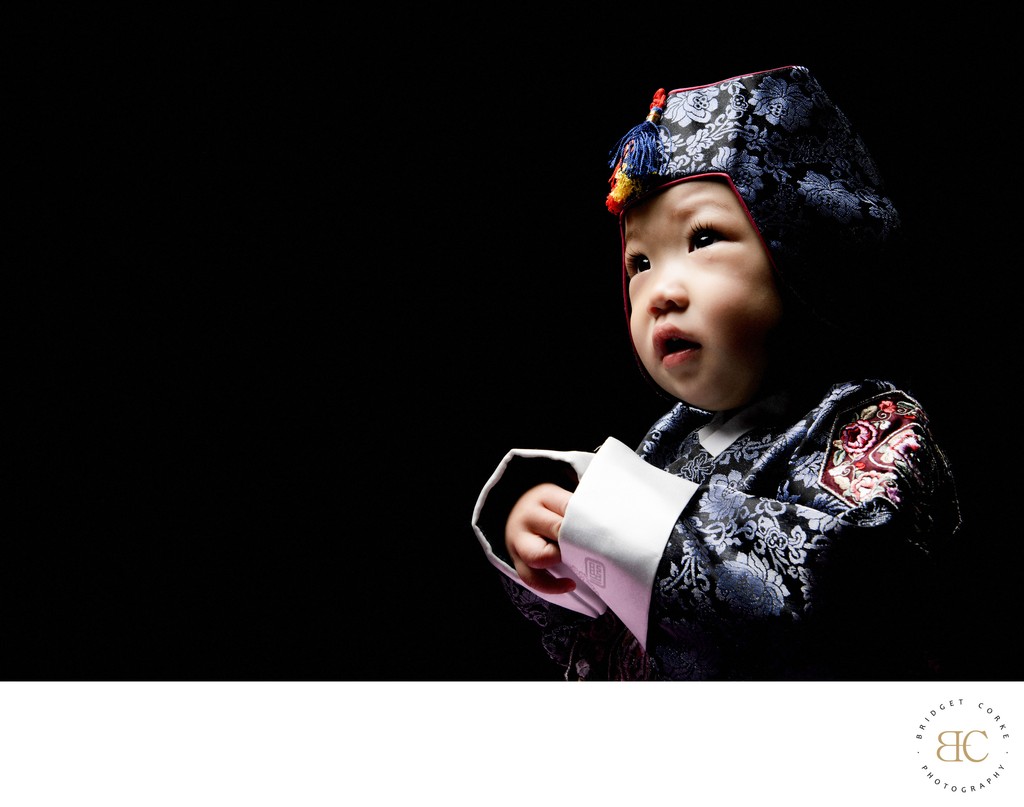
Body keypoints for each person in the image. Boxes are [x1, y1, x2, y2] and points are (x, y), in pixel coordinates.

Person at [470, 64, 962, 681]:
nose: (658, 292)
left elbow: (836, 586)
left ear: (802, 250)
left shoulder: (872, 425)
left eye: (703, 239)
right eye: (639, 262)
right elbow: (597, 638)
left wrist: (615, 517)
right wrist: (552, 552)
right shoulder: (664, 443)